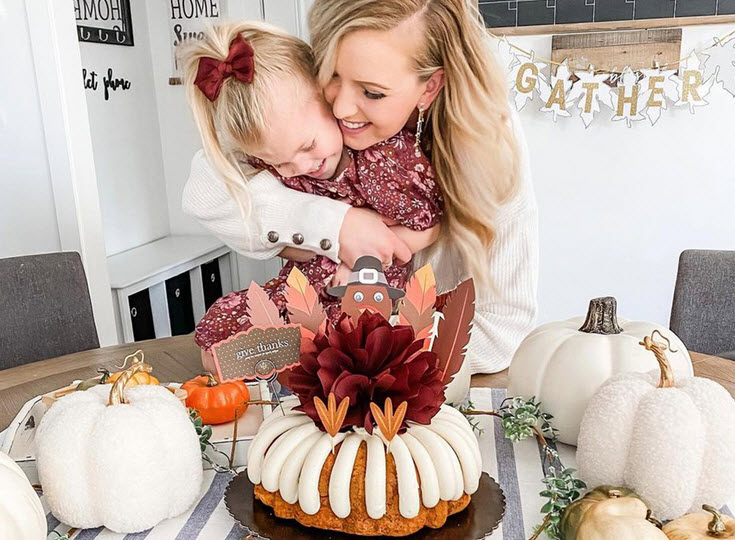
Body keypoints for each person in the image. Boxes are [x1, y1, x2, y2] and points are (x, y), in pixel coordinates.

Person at [183, 0, 539, 373]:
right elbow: (205, 190)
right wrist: (337, 226)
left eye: (372, 93)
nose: (340, 110)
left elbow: (500, 330)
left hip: (406, 375)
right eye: (331, 75)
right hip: (317, 316)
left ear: (430, 87)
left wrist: (362, 357)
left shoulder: (489, 144)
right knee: (223, 354)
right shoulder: (298, 101)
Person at [179, 21, 443, 351]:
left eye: (307, 146)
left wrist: (360, 262)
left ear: (328, 97)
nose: (301, 167)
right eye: (280, 163)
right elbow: (201, 193)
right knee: (220, 341)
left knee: (352, 339)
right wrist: (332, 232)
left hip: (364, 292)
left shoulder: (385, 161)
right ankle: (284, 358)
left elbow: (427, 227)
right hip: (304, 286)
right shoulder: (278, 149)